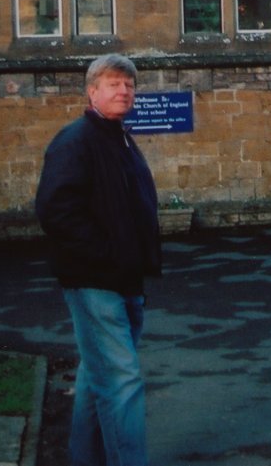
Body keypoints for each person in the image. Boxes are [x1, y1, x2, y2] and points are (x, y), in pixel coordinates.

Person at [36, 53, 161, 466]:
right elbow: (56, 210)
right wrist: (106, 258)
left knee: (97, 377)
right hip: (96, 282)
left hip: (125, 279)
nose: (123, 90)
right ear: (92, 92)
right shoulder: (75, 140)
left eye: (128, 84)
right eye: (112, 83)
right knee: (122, 380)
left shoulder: (120, 138)